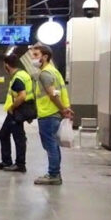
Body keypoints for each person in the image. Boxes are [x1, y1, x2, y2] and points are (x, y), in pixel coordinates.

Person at [29, 44, 73, 185]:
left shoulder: (45, 73)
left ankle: (53, 174)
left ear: (45, 56)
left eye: (36, 55)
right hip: (54, 113)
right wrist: (65, 108)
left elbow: (52, 94)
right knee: (53, 144)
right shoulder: (55, 72)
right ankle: (55, 173)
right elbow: (59, 92)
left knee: (50, 145)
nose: (33, 58)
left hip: (48, 113)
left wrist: (63, 109)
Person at [0, 54, 35, 172]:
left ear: (6, 65)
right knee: (4, 135)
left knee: (18, 137)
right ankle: (7, 161)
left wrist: (12, 107)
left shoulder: (18, 78)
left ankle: (20, 164)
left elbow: (22, 96)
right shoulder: (23, 74)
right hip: (21, 110)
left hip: (18, 110)